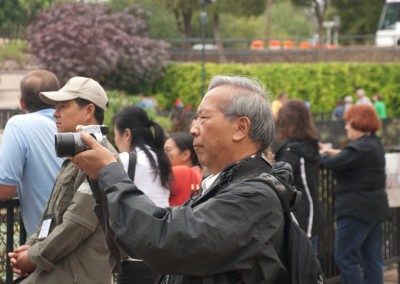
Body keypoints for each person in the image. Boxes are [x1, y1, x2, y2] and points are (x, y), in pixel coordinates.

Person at [72, 75, 294, 283]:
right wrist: (99, 178)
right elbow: (136, 240)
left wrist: (110, 171)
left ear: (241, 128)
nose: (193, 129)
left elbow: (165, 241)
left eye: (203, 118)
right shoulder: (223, 185)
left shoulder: (254, 198)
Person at [8, 77, 115, 284]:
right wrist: (30, 246)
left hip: (75, 276)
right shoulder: (76, 156)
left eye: (64, 106)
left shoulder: (104, 160)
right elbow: (51, 215)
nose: (56, 113)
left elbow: (76, 224)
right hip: (57, 270)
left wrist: (33, 256)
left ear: (89, 110)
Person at [319, 104, 389, 284]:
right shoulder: (374, 144)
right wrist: (329, 150)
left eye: (349, 123)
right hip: (375, 208)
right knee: (372, 258)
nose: (346, 127)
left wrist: (311, 152)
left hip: (356, 210)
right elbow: (347, 156)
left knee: (344, 256)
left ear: (359, 123)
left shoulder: (359, 149)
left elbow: (329, 163)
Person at [112, 105, 172, 284]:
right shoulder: (162, 160)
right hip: (164, 248)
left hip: (136, 254)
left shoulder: (125, 160)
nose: (116, 142)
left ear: (127, 134)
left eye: (115, 136)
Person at [0, 70, 63, 236]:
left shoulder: (19, 125)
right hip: (80, 236)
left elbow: (4, 190)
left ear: (22, 103)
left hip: (47, 242)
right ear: (57, 100)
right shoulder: (69, 124)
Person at [274, 99, 324, 255]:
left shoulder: (293, 152)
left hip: (301, 218)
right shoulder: (308, 146)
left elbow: (277, 180)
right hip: (310, 214)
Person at [164, 132, 202, 206]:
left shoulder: (181, 172)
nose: (162, 154)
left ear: (185, 155)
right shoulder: (199, 172)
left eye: (167, 150)